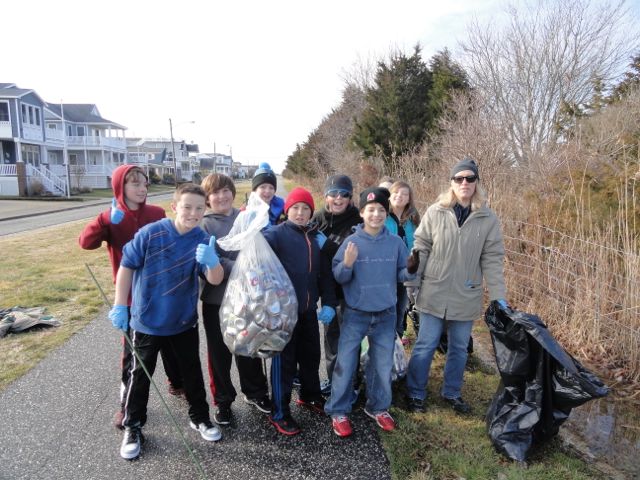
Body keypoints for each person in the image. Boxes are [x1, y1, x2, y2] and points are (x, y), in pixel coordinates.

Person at [108, 183, 225, 460]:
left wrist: (212, 262)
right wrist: (120, 306)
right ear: (175, 207)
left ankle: (200, 417)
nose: (193, 213)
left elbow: (215, 279)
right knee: (140, 377)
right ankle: (133, 426)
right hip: (146, 322)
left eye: (199, 208)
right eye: (187, 207)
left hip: (183, 322)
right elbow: (126, 266)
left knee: (192, 374)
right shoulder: (151, 233)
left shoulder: (202, 239)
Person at [78, 165, 184, 431]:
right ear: (119, 187)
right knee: (133, 355)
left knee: (171, 342)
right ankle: (126, 404)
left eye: (144, 183)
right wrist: (104, 220)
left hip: (160, 292)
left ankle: (177, 382)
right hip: (129, 298)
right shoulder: (111, 218)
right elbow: (85, 243)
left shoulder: (157, 213)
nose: (141, 188)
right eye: (133, 183)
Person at [404, 158, 507, 415]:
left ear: (476, 183)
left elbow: (492, 259)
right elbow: (421, 248)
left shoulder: (487, 218)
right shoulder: (436, 211)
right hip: (434, 291)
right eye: (459, 178)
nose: (464, 183)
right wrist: (412, 283)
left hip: (466, 293)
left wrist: (498, 297)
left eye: (469, 179)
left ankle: (452, 392)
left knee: (459, 347)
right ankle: (415, 392)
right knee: (426, 343)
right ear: (451, 183)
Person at [324, 187, 418, 437]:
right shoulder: (352, 242)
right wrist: (347, 263)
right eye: (371, 210)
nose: (376, 215)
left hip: (385, 314)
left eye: (381, 211)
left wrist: (410, 269)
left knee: (382, 363)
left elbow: (401, 276)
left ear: (386, 214)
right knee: (345, 362)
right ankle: (339, 410)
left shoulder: (395, 243)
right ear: (363, 213)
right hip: (355, 313)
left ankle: (378, 407)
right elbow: (339, 276)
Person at [262, 187, 337, 435]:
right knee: (283, 363)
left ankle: (310, 395)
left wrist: (327, 301)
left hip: (307, 311)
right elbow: (257, 255)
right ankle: (279, 412)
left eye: (306, 208)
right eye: (295, 208)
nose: (301, 213)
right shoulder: (276, 235)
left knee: (310, 356)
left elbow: (325, 275)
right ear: (287, 210)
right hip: (283, 314)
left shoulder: (316, 237)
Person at [199, 173, 271, 425]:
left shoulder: (245, 218)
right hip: (216, 301)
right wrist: (242, 266)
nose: (221, 196)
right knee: (219, 353)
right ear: (207, 199)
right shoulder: (204, 225)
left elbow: (258, 251)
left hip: (246, 299)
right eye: (215, 193)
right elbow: (210, 261)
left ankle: (255, 392)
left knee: (248, 347)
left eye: (225, 190)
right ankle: (223, 401)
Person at [311, 174, 362, 396]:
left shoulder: (358, 221)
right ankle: (333, 380)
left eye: (344, 194)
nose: (338, 198)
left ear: (350, 198)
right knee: (331, 340)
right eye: (333, 194)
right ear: (326, 196)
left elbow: (356, 254)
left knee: (351, 341)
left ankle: (351, 383)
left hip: (350, 291)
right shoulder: (317, 219)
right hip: (328, 293)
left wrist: (329, 247)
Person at [384, 180, 421, 341]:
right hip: (385, 273)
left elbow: (418, 242)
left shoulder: (413, 218)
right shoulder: (382, 216)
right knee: (386, 313)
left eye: (404, 194)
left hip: (405, 273)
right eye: (396, 192)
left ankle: (396, 350)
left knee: (400, 312)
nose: (400, 196)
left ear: (409, 198)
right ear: (390, 195)